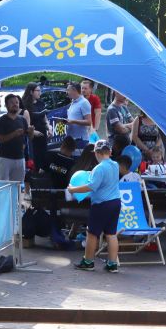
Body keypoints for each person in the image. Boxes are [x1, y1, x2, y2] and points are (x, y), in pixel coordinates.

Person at [69, 140, 121, 272]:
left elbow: (91, 187)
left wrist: (73, 189)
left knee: (91, 233)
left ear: (97, 153)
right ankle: (112, 264)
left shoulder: (99, 168)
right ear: (110, 152)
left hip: (101, 204)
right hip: (115, 202)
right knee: (111, 234)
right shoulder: (115, 165)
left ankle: (88, 262)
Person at [0, 94, 28, 182]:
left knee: (18, 185)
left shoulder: (23, 120)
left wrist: (31, 132)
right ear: (6, 105)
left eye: (17, 102)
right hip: (5, 158)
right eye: (12, 103)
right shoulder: (1, 120)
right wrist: (14, 134)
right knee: (2, 185)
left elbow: (27, 138)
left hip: (20, 158)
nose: (15, 104)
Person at [21, 82, 49, 171]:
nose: (40, 93)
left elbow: (44, 117)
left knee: (43, 155)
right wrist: (32, 131)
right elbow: (24, 122)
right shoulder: (24, 105)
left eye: (40, 91)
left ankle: (43, 174)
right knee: (34, 158)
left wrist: (49, 127)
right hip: (31, 135)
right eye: (37, 91)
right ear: (31, 92)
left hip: (42, 133)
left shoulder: (41, 103)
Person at [56, 81, 92, 149]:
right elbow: (72, 118)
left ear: (74, 90)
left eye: (68, 90)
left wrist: (73, 121)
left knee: (77, 156)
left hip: (80, 140)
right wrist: (64, 121)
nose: (67, 92)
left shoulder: (84, 103)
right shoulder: (73, 102)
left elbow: (89, 122)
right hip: (71, 138)